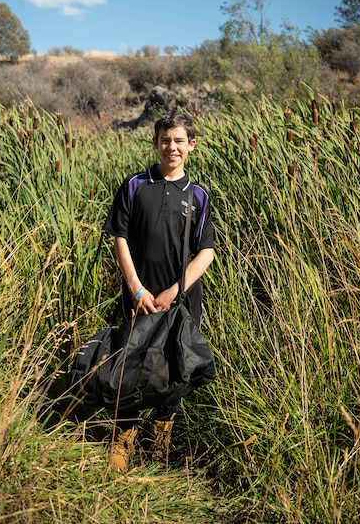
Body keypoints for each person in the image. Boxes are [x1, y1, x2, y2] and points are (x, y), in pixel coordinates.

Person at [101, 109, 215, 470]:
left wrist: (174, 291)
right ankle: (123, 438)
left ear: (192, 145)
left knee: (175, 368)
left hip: (180, 301)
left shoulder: (197, 195)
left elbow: (206, 251)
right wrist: (136, 288)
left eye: (179, 141)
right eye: (165, 140)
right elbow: (119, 236)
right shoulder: (135, 185)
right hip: (138, 298)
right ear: (155, 143)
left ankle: (159, 440)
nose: (172, 147)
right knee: (131, 362)